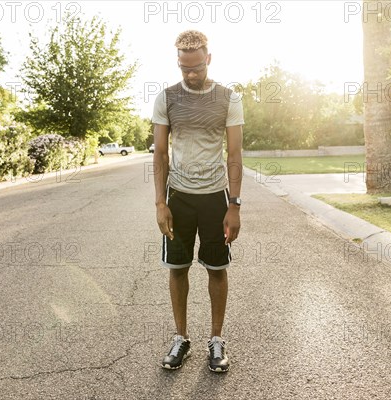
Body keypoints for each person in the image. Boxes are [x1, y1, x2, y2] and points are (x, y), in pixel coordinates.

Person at [151, 30, 244, 373]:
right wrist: (160, 203)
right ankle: (181, 338)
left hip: (215, 196)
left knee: (217, 269)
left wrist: (234, 205)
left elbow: (234, 153)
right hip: (179, 196)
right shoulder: (167, 98)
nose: (190, 74)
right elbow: (160, 153)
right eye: (183, 68)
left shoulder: (229, 98)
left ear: (208, 58)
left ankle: (216, 340)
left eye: (195, 67)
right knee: (177, 268)